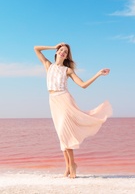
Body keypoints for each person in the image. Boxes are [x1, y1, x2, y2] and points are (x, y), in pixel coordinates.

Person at [34, 43, 112, 178]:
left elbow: (83, 85)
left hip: (64, 100)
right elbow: (36, 48)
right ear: (57, 52)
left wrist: (98, 74)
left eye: (65, 52)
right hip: (53, 102)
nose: (63, 52)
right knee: (61, 135)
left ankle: (72, 165)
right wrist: (54, 46)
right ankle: (68, 167)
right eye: (61, 50)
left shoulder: (67, 70)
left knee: (65, 132)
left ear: (67, 56)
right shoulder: (48, 65)